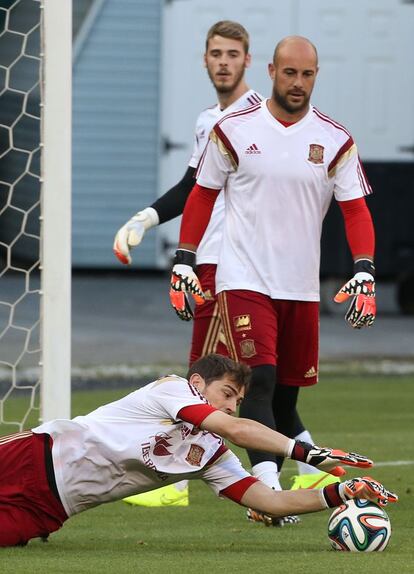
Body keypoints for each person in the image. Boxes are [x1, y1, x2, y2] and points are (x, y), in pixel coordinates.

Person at [113, 22, 324, 514]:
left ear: (250, 62)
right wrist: (146, 219)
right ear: (204, 59)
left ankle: (185, 481)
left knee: (213, 381)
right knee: (245, 383)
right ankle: (314, 467)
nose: (224, 62)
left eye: (233, 54)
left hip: (233, 268)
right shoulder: (211, 119)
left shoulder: (260, 116)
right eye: (215, 53)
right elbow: (195, 184)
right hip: (211, 263)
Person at [169, 36, 377, 521]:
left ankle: (308, 470)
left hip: (300, 288)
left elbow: (356, 210)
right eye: (289, 73)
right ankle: (268, 494)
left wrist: (364, 266)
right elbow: (200, 195)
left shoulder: (335, 139)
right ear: (271, 71)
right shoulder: (235, 129)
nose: (298, 83)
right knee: (257, 380)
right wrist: (185, 257)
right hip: (243, 278)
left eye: (307, 75)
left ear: (316, 76)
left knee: (285, 396)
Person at [0, 354, 396, 547]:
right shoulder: (171, 389)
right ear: (197, 383)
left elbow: (269, 502)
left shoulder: (212, 456)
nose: (229, 405)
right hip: (36, 456)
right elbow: (238, 429)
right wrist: (307, 453)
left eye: (237, 400)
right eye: (225, 393)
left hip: (49, 510)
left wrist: (342, 493)